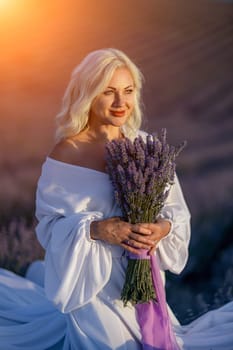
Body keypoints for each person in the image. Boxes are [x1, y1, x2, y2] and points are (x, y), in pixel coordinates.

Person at [0, 48, 233, 349]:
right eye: (109, 92)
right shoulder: (66, 153)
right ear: (88, 94)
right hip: (92, 283)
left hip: (142, 277)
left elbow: (176, 213)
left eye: (128, 91)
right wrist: (97, 230)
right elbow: (49, 227)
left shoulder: (147, 146)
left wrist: (161, 229)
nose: (121, 102)